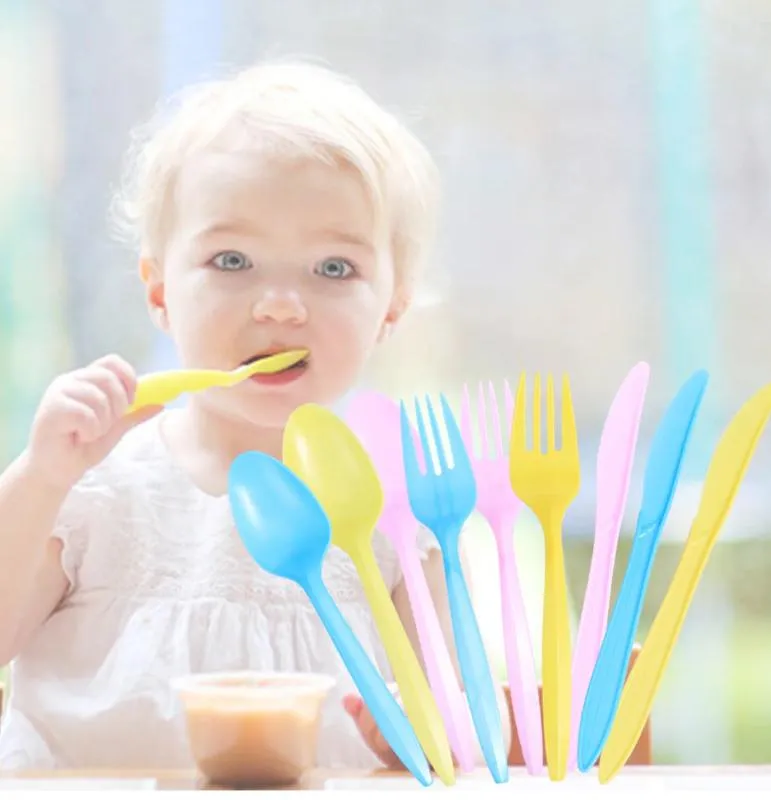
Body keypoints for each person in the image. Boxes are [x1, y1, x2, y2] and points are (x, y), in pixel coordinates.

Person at [0, 59, 511, 771]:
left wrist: (416, 739)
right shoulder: (96, 487)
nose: (279, 305)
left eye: (333, 268)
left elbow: (458, 733)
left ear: (391, 309)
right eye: (232, 259)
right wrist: (39, 475)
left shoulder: (402, 509)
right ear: (158, 292)